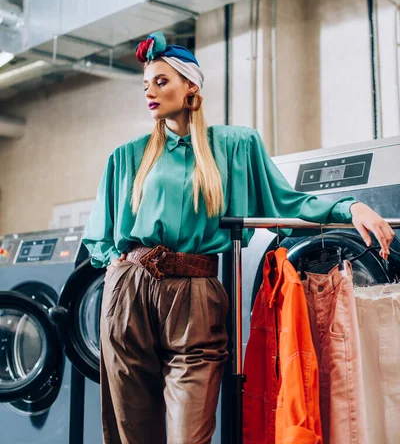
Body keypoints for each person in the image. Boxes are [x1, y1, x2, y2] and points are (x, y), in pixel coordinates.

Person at [82, 31, 394, 444]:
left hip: (195, 294)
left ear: (190, 85)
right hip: (130, 294)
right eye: (146, 86)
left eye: (161, 82)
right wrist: (120, 272)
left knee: (189, 434)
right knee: (131, 435)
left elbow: (286, 203)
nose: (150, 94)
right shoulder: (127, 156)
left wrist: (348, 207)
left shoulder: (234, 145)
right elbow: (98, 238)